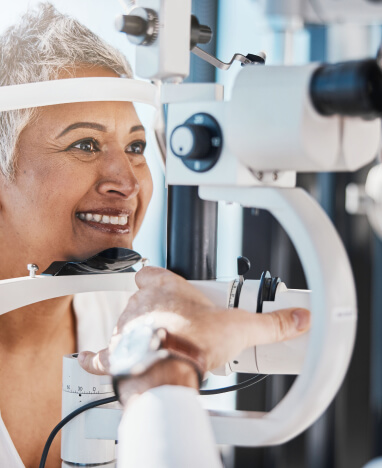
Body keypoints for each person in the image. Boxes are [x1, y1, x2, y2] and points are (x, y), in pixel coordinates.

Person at [0, 4, 310, 468]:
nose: (126, 181)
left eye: (136, 146)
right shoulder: (149, 341)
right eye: (85, 144)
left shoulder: (134, 318)